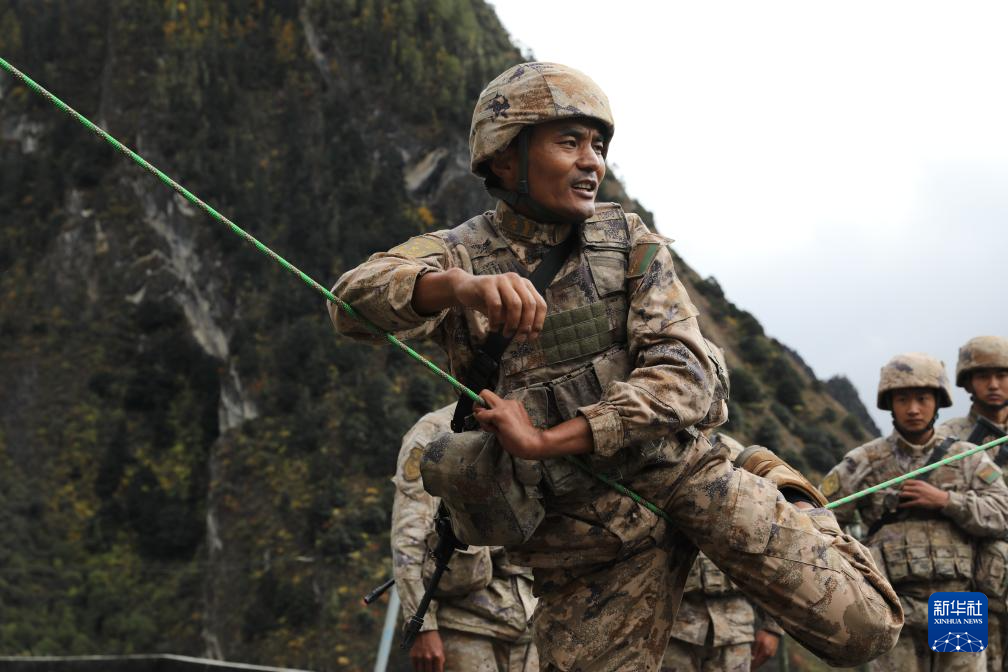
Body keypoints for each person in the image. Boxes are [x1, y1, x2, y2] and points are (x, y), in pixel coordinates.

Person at [330, 61, 902, 672]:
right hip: (586, 539)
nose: (592, 163)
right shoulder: (460, 253)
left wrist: (550, 440)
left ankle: (779, 487)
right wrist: (455, 288)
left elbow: (685, 375)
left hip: (685, 476)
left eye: (598, 147)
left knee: (866, 633)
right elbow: (349, 304)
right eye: (569, 142)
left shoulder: (626, 238)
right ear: (504, 157)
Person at [820, 353, 1008, 672]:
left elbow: (1002, 513)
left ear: (938, 402)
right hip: (893, 606)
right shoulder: (865, 461)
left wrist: (946, 501)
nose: (913, 409)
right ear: (889, 404)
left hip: (957, 604)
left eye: (922, 399)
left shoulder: (967, 458)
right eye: (903, 399)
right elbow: (820, 517)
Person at [393, 403, 538, 672]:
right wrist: (422, 626)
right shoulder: (434, 430)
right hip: (465, 623)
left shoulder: (533, 417)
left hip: (532, 623)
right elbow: (409, 537)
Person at [661, 433, 783, 672]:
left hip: (735, 631)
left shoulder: (738, 456)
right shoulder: (663, 447)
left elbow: (769, 544)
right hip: (670, 625)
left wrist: (772, 627)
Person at [940, 336, 1008, 672]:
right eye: (983, 376)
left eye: (1002, 375)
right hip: (959, 587)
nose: (994, 384)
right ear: (967, 382)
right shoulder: (945, 439)